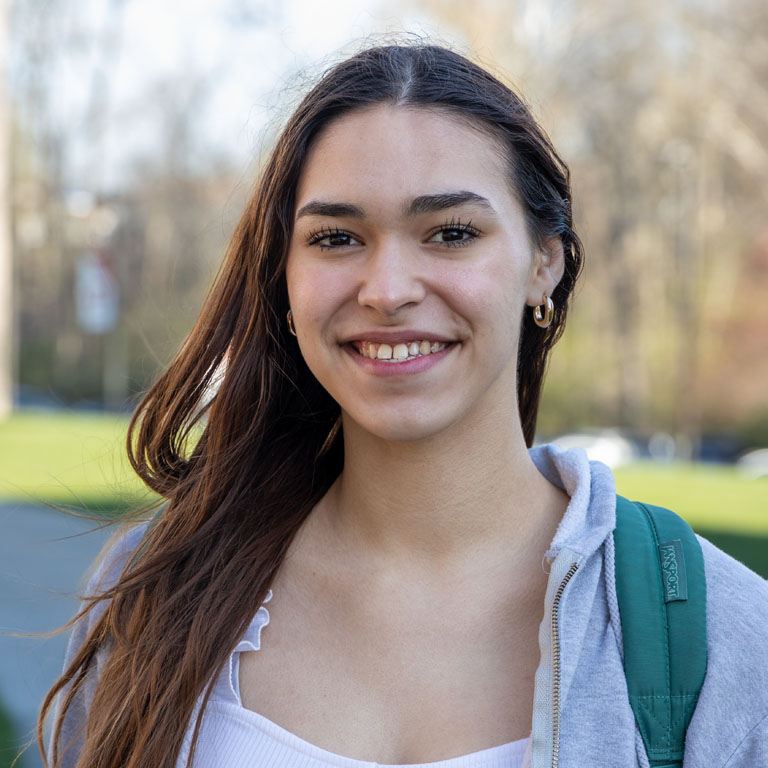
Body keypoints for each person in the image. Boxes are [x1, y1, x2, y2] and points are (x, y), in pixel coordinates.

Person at [39, 42, 768, 768]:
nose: (387, 290)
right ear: (284, 282)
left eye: (451, 233)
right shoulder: (158, 583)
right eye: (336, 238)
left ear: (544, 263)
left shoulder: (722, 634)